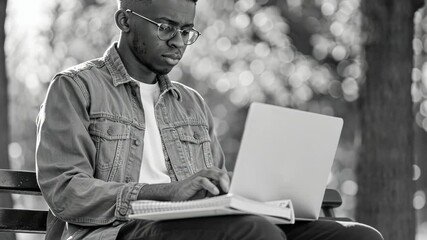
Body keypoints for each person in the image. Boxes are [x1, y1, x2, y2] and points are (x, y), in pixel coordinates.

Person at [35, 0, 384, 239]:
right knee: (252, 232)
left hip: (200, 226)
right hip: (117, 231)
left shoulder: (191, 103)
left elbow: (215, 185)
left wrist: (250, 195)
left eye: (187, 31)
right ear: (125, 21)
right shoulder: (76, 88)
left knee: (358, 236)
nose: (178, 42)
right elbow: (66, 190)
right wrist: (166, 194)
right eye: (165, 27)